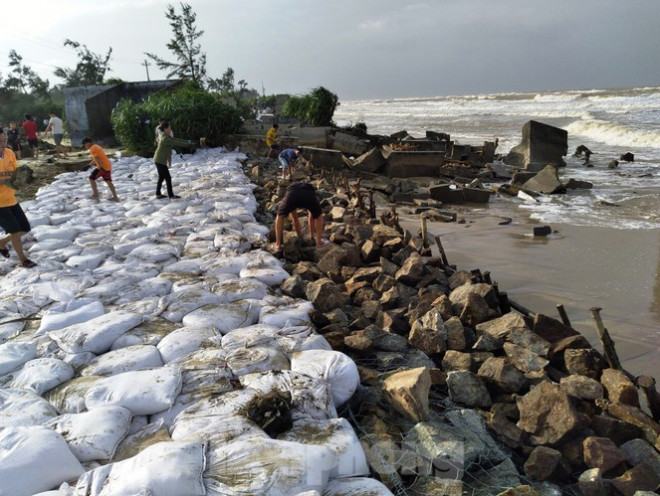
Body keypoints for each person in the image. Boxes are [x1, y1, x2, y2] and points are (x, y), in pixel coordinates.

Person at [0, 130, 37, 268]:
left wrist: (25, 177)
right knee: (15, 231)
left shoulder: (10, 153)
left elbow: (16, 173)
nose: (2, 144)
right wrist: (4, 182)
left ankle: (2, 242)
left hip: (11, 199)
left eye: (4, 140)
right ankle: (23, 259)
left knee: (25, 228)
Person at [274, 181, 326, 254]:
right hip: (308, 194)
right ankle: (319, 242)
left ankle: (278, 244)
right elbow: (312, 216)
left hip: (292, 195)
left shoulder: (291, 190)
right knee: (318, 216)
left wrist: (300, 237)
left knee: (279, 216)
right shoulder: (310, 189)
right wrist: (311, 236)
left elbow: (295, 219)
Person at [153, 121, 197, 199]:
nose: (170, 129)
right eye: (169, 128)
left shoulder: (167, 136)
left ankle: (158, 194)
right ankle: (171, 195)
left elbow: (177, 140)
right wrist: (189, 144)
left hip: (159, 159)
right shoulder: (164, 138)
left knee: (161, 177)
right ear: (165, 129)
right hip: (160, 160)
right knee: (168, 178)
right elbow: (176, 143)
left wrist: (189, 142)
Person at [82, 137, 120, 202]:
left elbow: (97, 159)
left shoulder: (92, 149)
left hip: (102, 166)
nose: (85, 147)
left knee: (91, 179)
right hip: (107, 165)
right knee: (108, 181)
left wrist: (101, 167)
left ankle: (95, 194)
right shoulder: (97, 146)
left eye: (85, 145)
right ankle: (115, 197)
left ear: (88, 143)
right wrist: (89, 165)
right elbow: (96, 158)